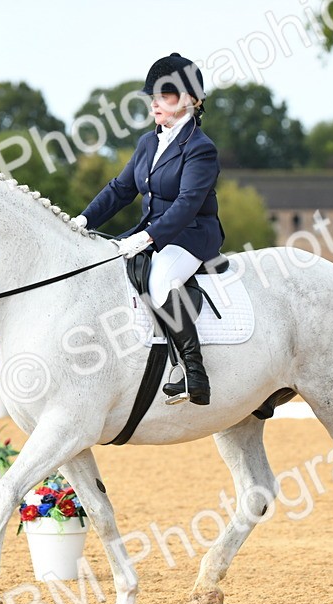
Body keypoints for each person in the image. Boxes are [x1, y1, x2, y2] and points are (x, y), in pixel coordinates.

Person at [72, 53, 223, 406]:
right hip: (150, 231)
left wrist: (148, 237)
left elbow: (187, 204)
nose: (154, 103)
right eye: (153, 96)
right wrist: (82, 221)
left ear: (190, 100)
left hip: (192, 234)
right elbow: (121, 190)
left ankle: (193, 373)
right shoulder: (148, 143)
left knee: (160, 280)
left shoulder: (201, 149)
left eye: (164, 96)